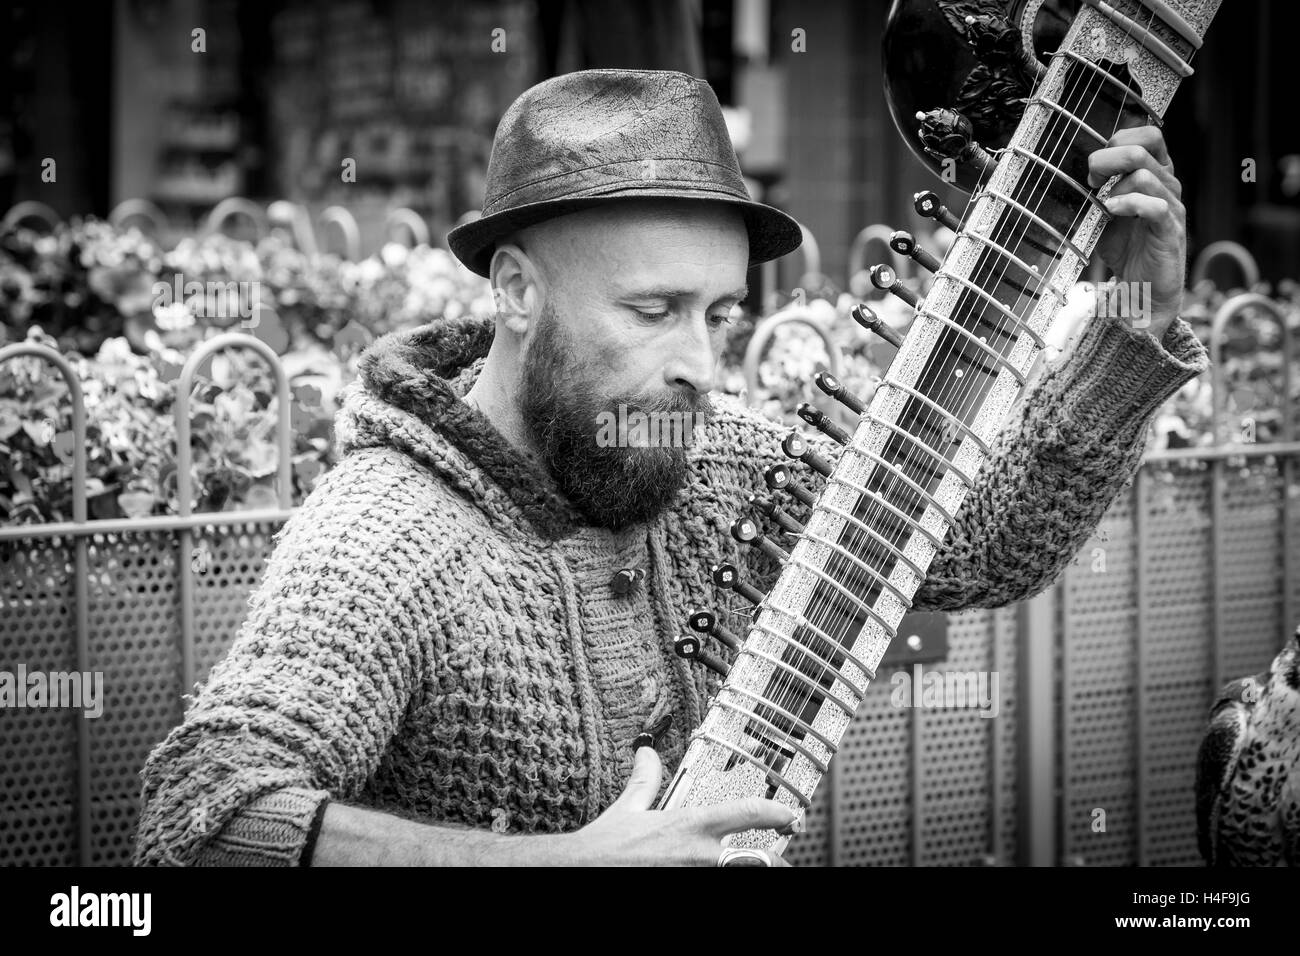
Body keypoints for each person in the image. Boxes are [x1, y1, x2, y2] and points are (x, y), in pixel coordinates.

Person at [134, 68, 1208, 867]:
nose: (699, 363)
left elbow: (980, 545)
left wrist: (1133, 312)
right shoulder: (389, 531)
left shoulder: (706, 460)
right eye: (653, 310)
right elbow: (203, 812)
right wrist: (560, 864)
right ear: (515, 290)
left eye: (720, 312)